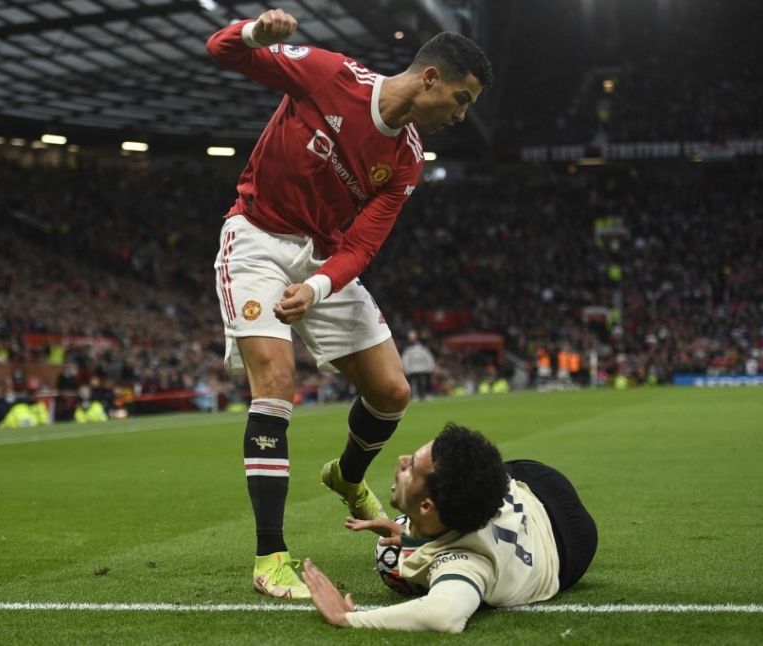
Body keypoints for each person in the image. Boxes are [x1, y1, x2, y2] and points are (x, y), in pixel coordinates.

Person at [206, 9, 493, 599]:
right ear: (430, 78)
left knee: (392, 392)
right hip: (256, 239)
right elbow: (222, 50)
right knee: (277, 382)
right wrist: (257, 33)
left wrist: (316, 287)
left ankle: (346, 474)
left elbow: (363, 244)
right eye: (460, 99)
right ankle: (270, 557)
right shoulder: (331, 76)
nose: (461, 116)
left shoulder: (409, 157)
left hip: (323, 262)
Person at [301, 423, 598, 632]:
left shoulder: (468, 563)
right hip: (534, 482)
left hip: (570, 545)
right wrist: (412, 536)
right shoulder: (467, 500)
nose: (401, 460)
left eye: (410, 468)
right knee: (468, 472)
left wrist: (346, 619)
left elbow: (444, 615)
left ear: (427, 507)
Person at [400, 330, 435, 401]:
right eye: (410, 336)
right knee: (413, 383)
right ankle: (414, 396)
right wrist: (406, 369)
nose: (412, 338)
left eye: (413, 336)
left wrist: (430, 368)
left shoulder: (423, 347)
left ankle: (425, 395)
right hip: (412, 370)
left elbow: (428, 357)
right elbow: (405, 359)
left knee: (423, 383)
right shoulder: (406, 348)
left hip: (423, 369)